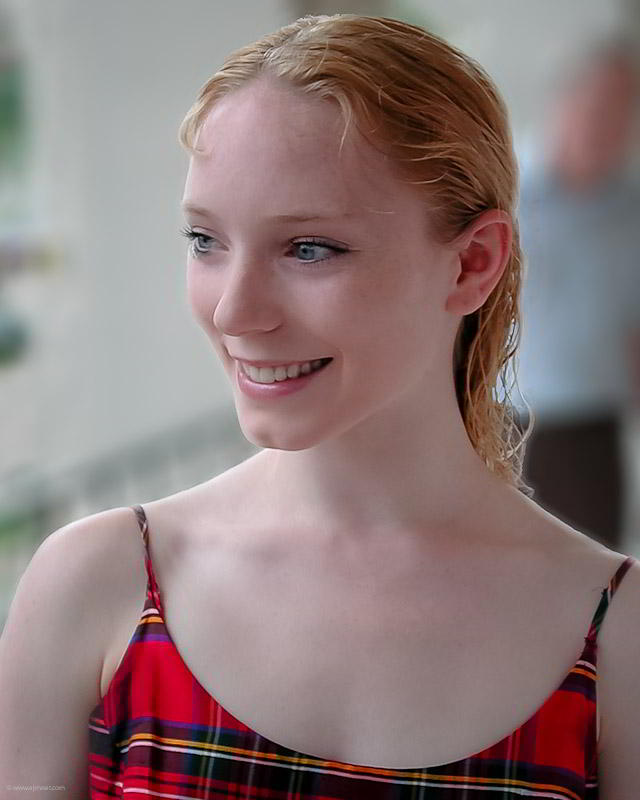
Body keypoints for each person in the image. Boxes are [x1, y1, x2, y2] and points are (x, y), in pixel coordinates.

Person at [0, 13, 638, 797]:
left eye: (309, 249)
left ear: (472, 264)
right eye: (205, 241)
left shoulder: (618, 639)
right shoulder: (97, 585)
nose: (236, 310)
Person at [516, 38, 640, 551]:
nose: (604, 125)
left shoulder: (631, 210)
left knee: (597, 575)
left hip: (593, 427)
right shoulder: (498, 185)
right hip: (503, 421)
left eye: (623, 112)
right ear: (562, 103)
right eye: (596, 106)